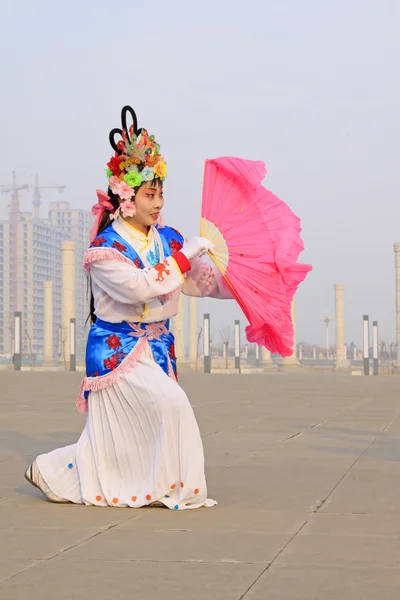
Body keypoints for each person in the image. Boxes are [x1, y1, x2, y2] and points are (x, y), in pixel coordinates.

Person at [24, 105, 232, 509]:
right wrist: (183, 258)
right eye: (149, 195)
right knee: (166, 409)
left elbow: (197, 281)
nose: (158, 203)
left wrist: (240, 287)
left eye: (160, 194)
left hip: (157, 346)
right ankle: (164, 488)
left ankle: (54, 470)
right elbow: (140, 288)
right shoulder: (104, 252)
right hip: (118, 351)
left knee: (132, 432)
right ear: (126, 199)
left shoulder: (165, 238)